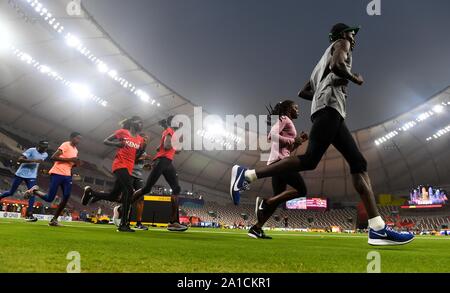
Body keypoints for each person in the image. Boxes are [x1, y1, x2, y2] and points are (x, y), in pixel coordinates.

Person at [230, 23, 414, 246]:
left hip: (328, 109)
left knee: (358, 162)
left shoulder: (319, 65)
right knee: (310, 160)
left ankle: (377, 228)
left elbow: (304, 91)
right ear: (340, 35)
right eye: (350, 33)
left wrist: (324, 90)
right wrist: (355, 78)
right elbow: (338, 65)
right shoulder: (341, 44)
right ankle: (247, 175)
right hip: (330, 109)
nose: (353, 38)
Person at [247, 100, 308, 239]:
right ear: (288, 109)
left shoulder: (287, 122)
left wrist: (299, 141)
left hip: (279, 162)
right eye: (296, 108)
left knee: (277, 198)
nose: (298, 110)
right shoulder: (285, 119)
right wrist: (293, 141)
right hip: (282, 162)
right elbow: (272, 136)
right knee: (302, 190)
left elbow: (287, 148)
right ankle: (265, 202)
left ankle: (256, 228)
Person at [81, 116, 145, 233]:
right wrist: (116, 145)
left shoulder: (140, 139)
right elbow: (105, 141)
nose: (141, 124)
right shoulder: (122, 132)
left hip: (129, 168)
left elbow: (134, 156)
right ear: (132, 123)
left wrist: (142, 158)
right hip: (119, 165)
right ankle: (124, 225)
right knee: (129, 191)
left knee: (113, 196)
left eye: (142, 122)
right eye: (139, 122)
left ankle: (91, 193)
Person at [131, 116, 187, 232]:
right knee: (146, 189)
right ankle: (123, 207)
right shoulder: (169, 131)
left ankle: (173, 223)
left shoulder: (170, 132)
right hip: (162, 161)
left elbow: (169, 149)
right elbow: (167, 146)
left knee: (176, 188)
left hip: (166, 162)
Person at [24, 132, 82, 227]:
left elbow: (71, 162)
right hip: (57, 173)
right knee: (49, 198)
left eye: (80, 139)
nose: (79, 141)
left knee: (66, 196)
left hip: (67, 175)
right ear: (72, 138)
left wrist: (75, 163)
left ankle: (54, 220)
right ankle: (34, 191)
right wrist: (70, 159)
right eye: (77, 138)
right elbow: (54, 157)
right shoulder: (65, 144)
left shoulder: (76, 150)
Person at [0, 140, 49, 222]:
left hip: (32, 176)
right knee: (11, 192)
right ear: (39, 146)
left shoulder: (45, 155)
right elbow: (20, 159)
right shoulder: (31, 150)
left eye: (46, 148)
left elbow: (39, 163)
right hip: (20, 174)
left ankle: (29, 215)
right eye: (43, 148)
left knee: (32, 194)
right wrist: (33, 161)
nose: (44, 150)